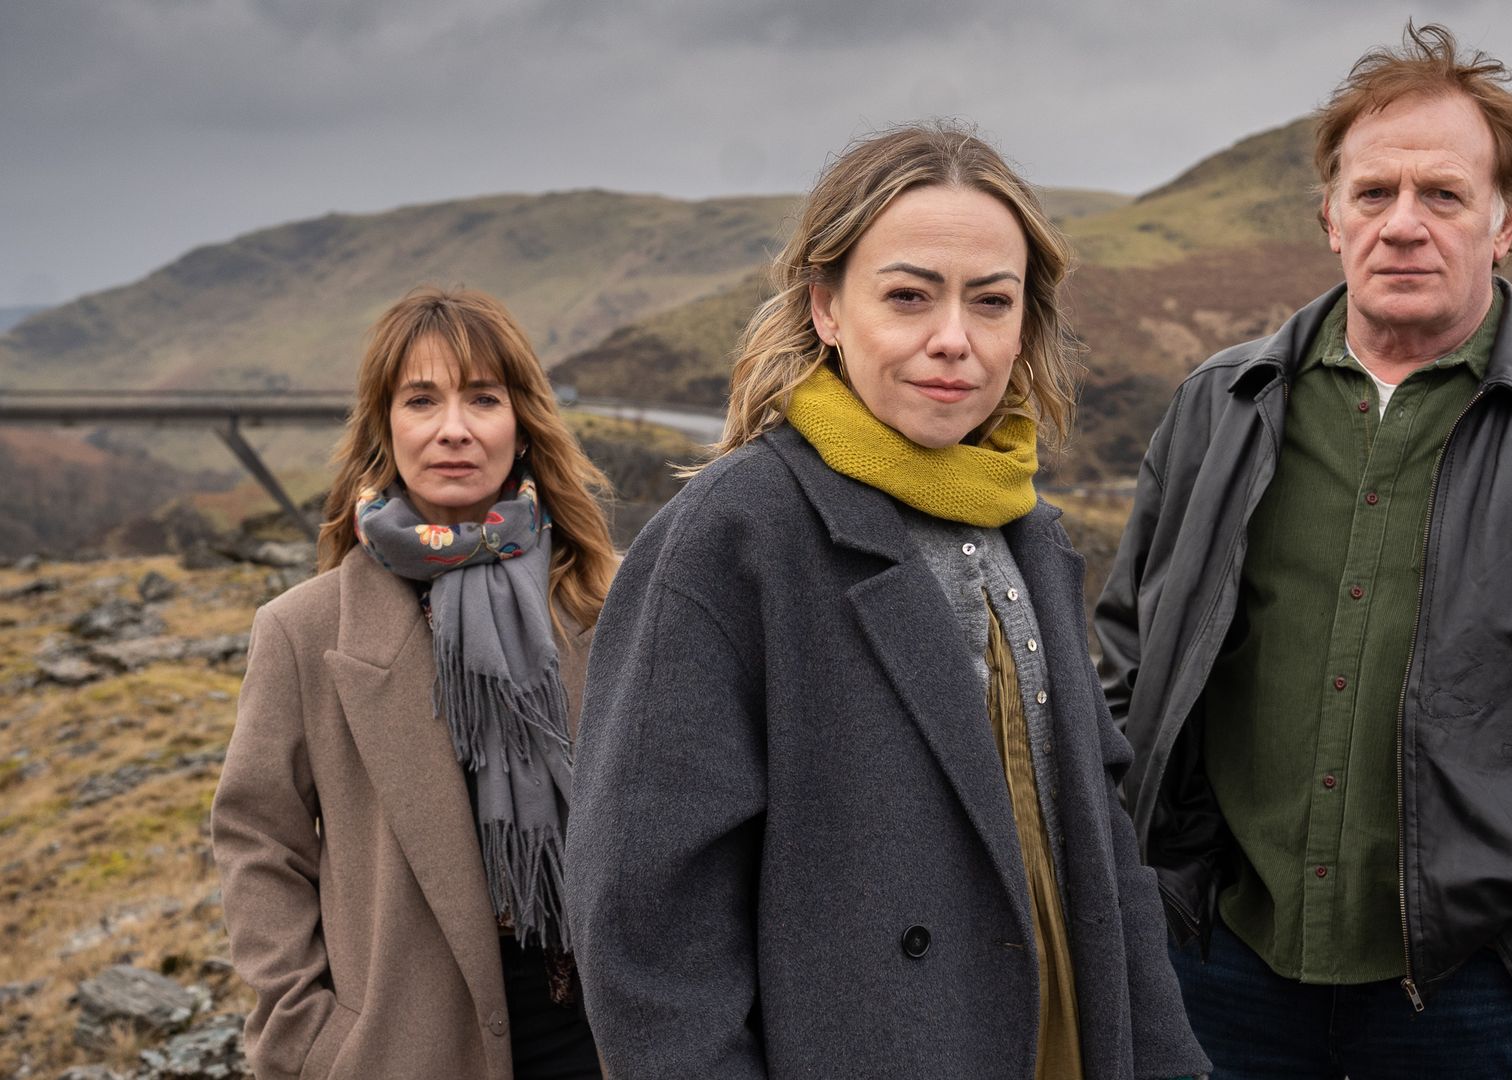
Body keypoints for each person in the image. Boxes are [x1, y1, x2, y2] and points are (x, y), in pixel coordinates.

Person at [1094, 24, 1512, 1080]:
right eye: (1375, 193)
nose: (1404, 225)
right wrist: (1155, 880)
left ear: (1505, 222)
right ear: (1329, 218)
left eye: (1443, 195)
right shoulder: (1221, 405)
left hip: (1468, 997)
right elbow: (1127, 656)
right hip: (1219, 964)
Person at [566, 124, 1211, 1080]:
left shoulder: (1027, 529)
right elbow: (646, 921)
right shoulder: (733, 535)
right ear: (825, 307)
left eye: (992, 302)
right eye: (908, 296)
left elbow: (1103, 852)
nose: (953, 339)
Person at [211, 287, 616, 1079]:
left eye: (483, 398)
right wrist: (309, 1040)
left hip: (602, 1039)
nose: (453, 428)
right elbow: (259, 842)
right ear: (385, 427)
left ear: (522, 421)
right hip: (405, 1046)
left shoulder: (614, 603)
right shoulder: (303, 631)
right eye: (421, 399)